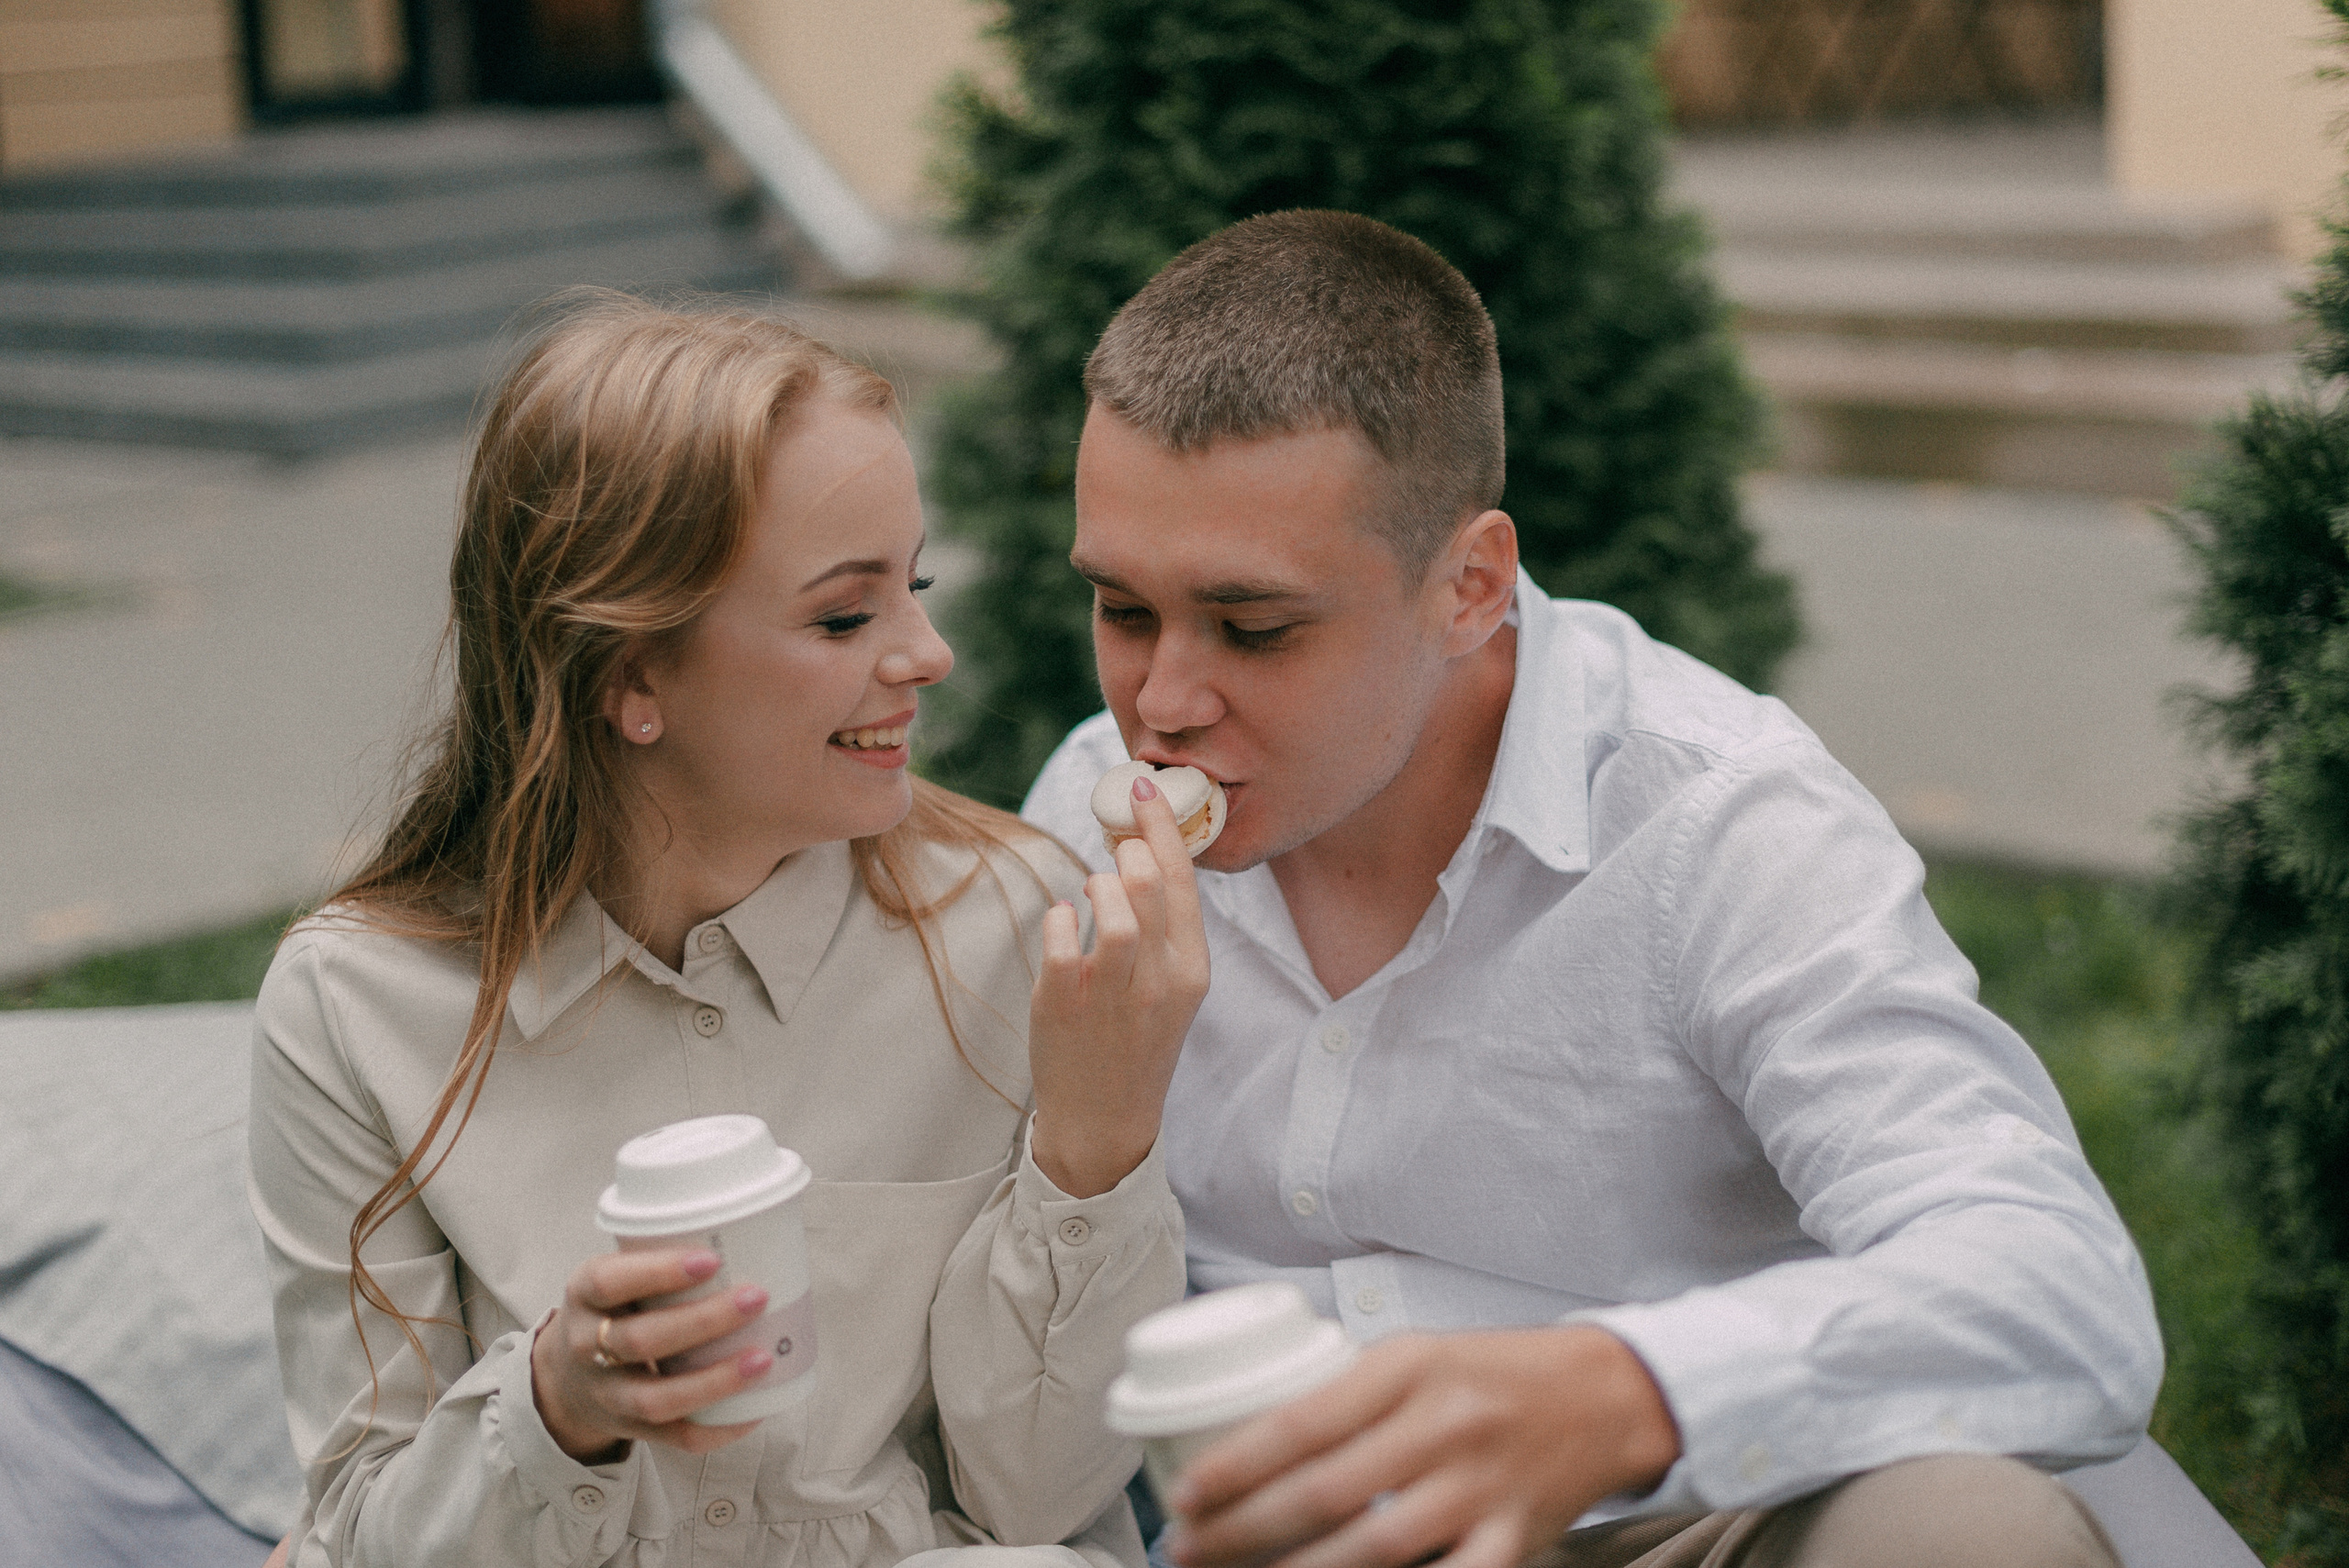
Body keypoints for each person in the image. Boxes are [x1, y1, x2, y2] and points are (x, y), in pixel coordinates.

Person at [1019, 212, 2160, 1568]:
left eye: (1254, 628)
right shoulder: (1084, 806)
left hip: (1669, 1514)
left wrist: (1627, 1391)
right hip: (1258, 1537)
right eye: (1123, 610)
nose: (1160, 702)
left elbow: (2059, 1287)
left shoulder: (1717, 817)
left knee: (1970, 1535)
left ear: (1470, 587)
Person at [247, 295, 1210, 1568]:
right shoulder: (354, 1007)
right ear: (631, 678)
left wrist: (1096, 1144)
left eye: (912, 586)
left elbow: (1044, 1501)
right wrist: (559, 1404)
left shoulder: (1015, 923)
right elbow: (362, 1538)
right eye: (843, 617)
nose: (931, 651)